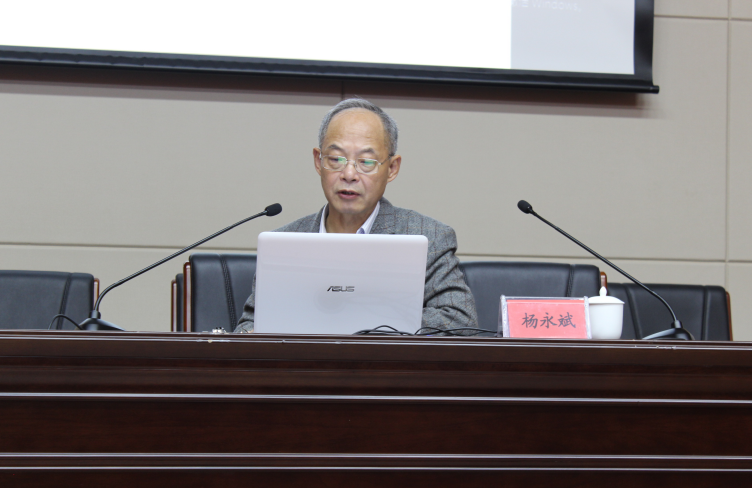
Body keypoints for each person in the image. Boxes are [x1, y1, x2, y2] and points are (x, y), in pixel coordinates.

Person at [235, 98, 477, 333]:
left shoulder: (429, 237)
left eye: (366, 161)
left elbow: (460, 320)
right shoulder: (283, 243)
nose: (349, 174)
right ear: (318, 161)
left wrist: (364, 325)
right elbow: (248, 328)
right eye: (336, 159)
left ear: (392, 168)